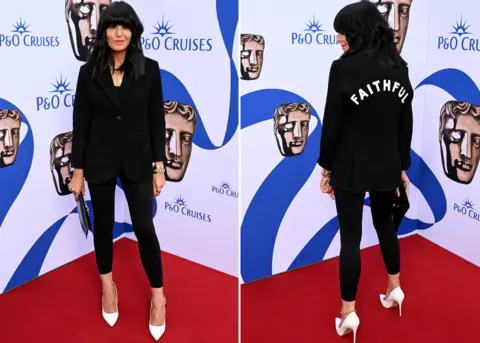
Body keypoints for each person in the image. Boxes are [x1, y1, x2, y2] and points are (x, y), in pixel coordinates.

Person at [68, 1, 167, 340]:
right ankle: (108, 287)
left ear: (134, 31)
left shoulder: (150, 69)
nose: (119, 32)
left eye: (125, 26)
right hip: (99, 159)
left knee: (144, 227)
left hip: (139, 159)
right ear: (103, 31)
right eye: (113, 26)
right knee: (104, 225)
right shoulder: (88, 71)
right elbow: (81, 124)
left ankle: (158, 297)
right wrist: (77, 171)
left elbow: (156, 120)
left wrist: (159, 166)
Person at [318, 1, 413, 342]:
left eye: (342, 31)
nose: (339, 38)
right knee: (385, 225)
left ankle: (348, 314)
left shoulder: (344, 69)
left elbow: (332, 124)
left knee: (351, 240)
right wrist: (403, 166)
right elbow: (406, 125)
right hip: (387, 163)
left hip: (351, 165)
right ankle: (395, 289)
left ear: (358, 30)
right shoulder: (399, 67)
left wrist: (325, 167)